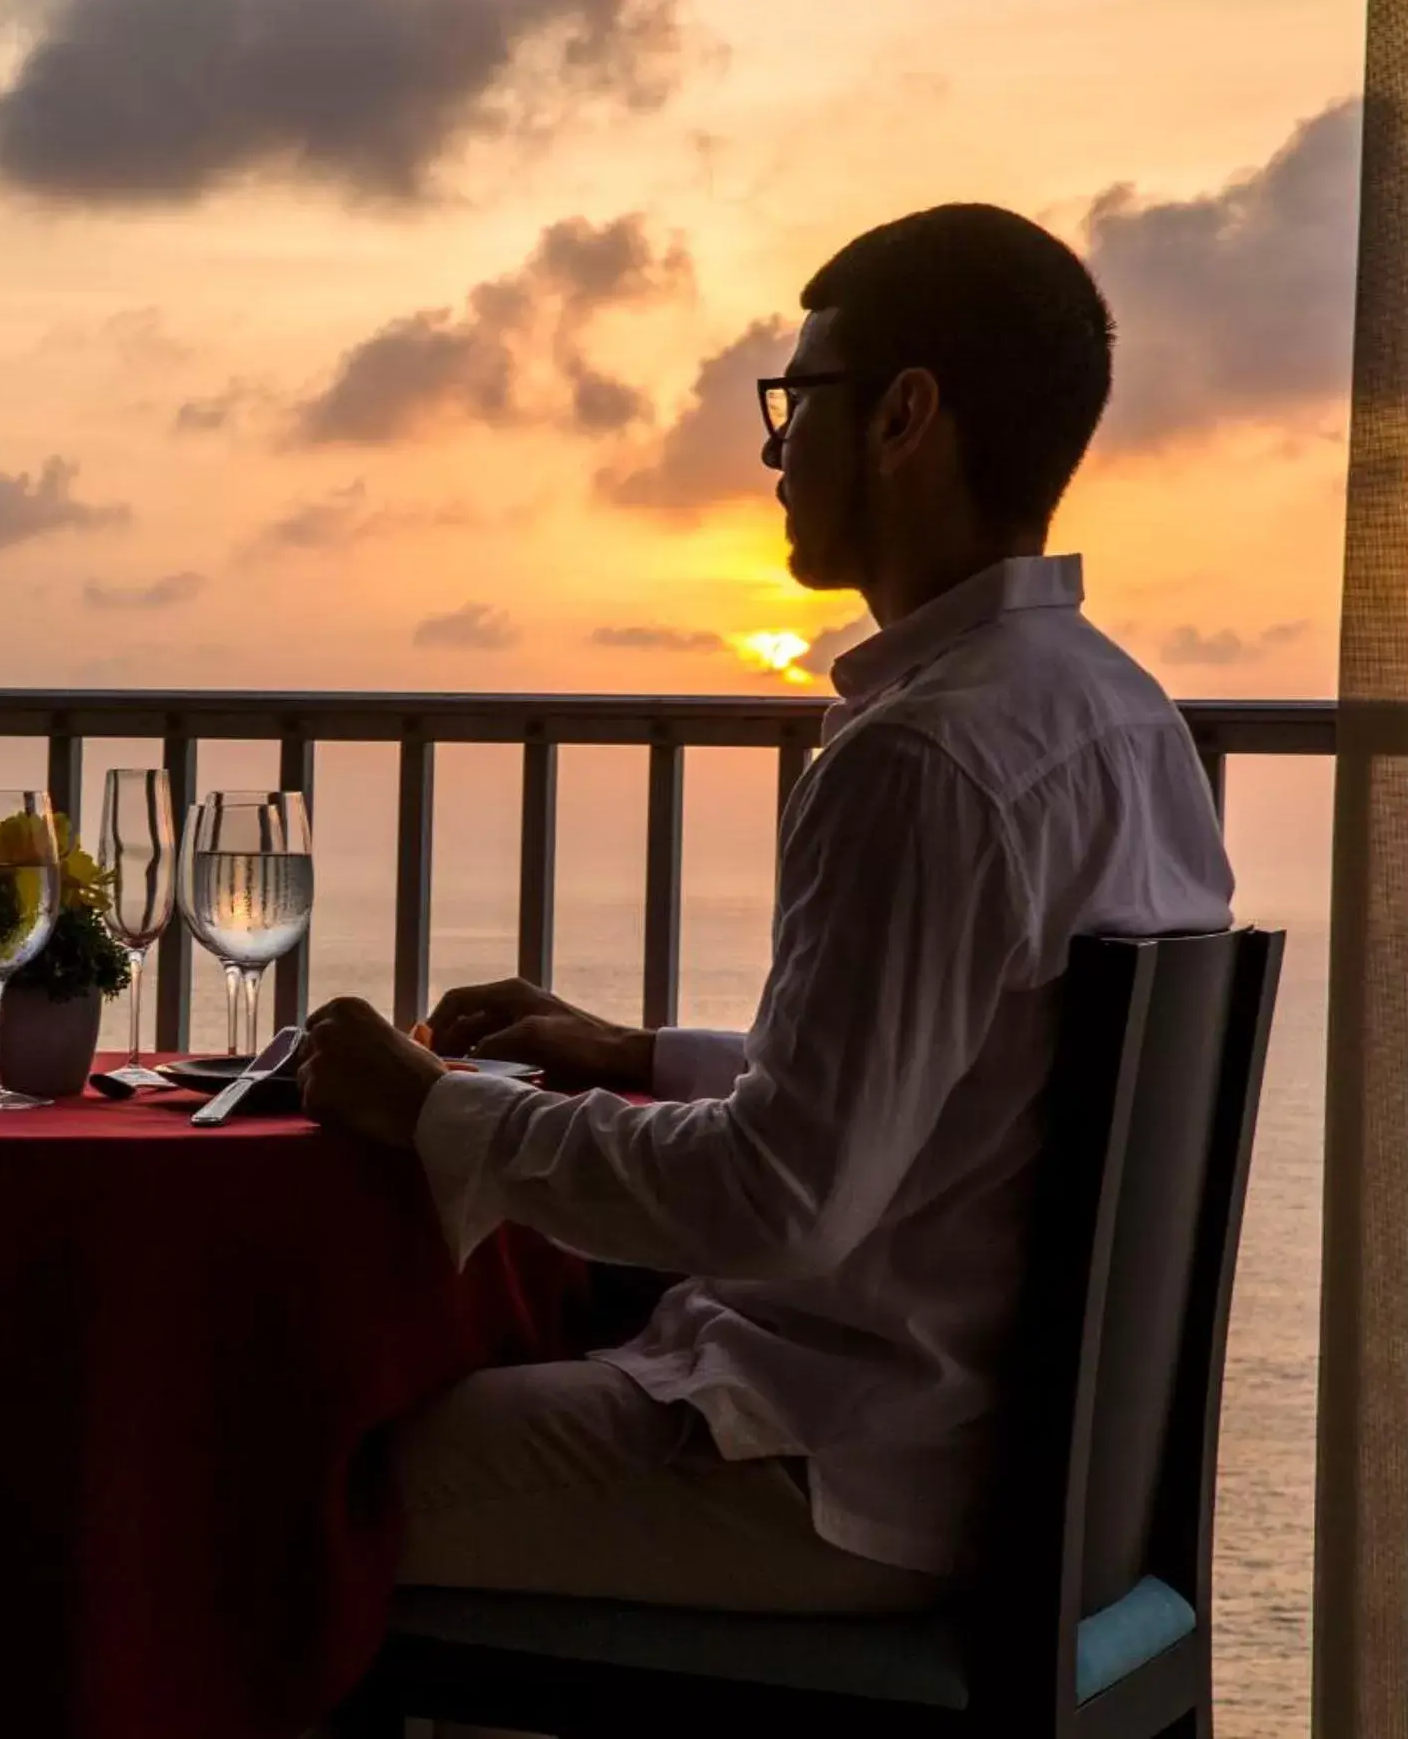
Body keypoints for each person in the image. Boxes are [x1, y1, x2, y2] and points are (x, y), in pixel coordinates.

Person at [298, 205, 1235, 1609]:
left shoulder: (924, 756)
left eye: (794, 403)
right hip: (971, 1450)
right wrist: (636, 1058)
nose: (771, 452)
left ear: (902, 417)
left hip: (845, 1476)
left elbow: (779, 1202)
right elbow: (953, 1101)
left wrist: (436, 1110)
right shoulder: (1115, 713)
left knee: (278, 1476)